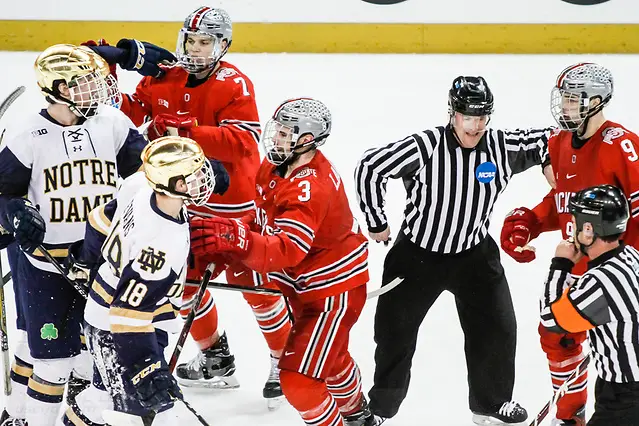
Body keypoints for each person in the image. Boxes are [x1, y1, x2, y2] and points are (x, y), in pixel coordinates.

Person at [86, 6, 290, 401]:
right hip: (185, 202)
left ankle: (285, 359)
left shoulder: (235, 84)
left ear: (223, 45)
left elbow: (244, 142)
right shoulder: (166, 76)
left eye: (205, 42)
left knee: (253, 286)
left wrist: (186, 130)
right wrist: (103, 76)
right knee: (182, 284)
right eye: (190, 40)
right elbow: (128, 114)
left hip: (236, 203)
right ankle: (215, 354)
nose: (195, 49)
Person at [354, 76, 554, 425]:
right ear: (453, 114)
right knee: (393, 336)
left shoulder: (500, 147)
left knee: (497, 328)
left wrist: (555, 170)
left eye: (482, 118)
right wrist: (375, 220)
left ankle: (491, 403)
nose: (475, 126)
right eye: (468, 117)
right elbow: (371, 166)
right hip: (417, 256)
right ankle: (381, 410)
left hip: (474, 255)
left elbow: (551, 140)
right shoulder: (425, 146)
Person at [189, 98, 375, 426]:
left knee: (300, 382)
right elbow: (265, 219)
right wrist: (232, 235)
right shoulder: (277, 165)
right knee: (329, 359)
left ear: (307, 140)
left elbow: (286, 249)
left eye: (285, 133)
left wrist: (236, 238)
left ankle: (354, 415)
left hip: (333, 291)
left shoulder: (309, 187)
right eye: (277, 130)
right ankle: (358, 413)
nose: (276, 138)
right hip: (305, 284)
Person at [0, 44, 148, 426]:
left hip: (101, 262)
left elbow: (144, 176)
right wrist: (15, 212)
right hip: (46, 264)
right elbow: (5, 192)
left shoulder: (112, 124)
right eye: (86, 83)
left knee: (91, 355)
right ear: (60, 88)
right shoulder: (26, 134)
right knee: (52, 361)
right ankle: (24, 418)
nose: (98, 88)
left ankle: (51, 416)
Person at [500, 62, 639, 425]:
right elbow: (565, 200)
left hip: (619, 274)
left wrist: (625, 277)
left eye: (572, 98)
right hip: (582, 263)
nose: (564, 105)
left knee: (625, 360)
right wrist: (530, 221)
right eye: (562, 97)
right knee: (557, 334)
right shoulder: (559, 142)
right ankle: (571, 413)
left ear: (595, 100)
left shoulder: (623, 147)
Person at [58, 136, 228, 426]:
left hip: (110, 313)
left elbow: (99, 218)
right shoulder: (161, 244)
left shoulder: (139, 185)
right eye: (194, 175)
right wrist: (146, 367)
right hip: (121, 331)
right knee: (131, 417)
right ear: (174, 185)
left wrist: (86, 262)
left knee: (103, 398)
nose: (202, 179)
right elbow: (128, 316)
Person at [540, 184, 639, 426]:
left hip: (627, 394)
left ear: (588, 230)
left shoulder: (599, 282)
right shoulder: (632, 255)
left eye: (575, 223)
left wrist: (560, 265)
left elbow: (551, 319)